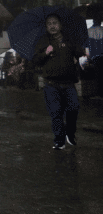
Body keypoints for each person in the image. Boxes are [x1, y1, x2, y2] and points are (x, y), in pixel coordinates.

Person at [32, 14, 86, 149]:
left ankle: (70, 133)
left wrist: (82, 57)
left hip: (69, 83)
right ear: (46, 27)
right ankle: (59, 140)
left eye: (54, 23)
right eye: (49, 23)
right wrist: (46, 53)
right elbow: (36, 60)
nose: (52, 26)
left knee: (73, 108)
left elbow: (80, 53)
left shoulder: (69, 39)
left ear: (60, 25)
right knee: (56, 113)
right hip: (51, 85)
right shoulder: (43, 41)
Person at [87, 16, 103, 100]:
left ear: (93, 21)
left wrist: (88, 56)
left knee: (97, 75)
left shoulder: (89, 30)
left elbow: (87, 45)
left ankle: (99, 93)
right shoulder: (102, 29)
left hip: (94, 56)